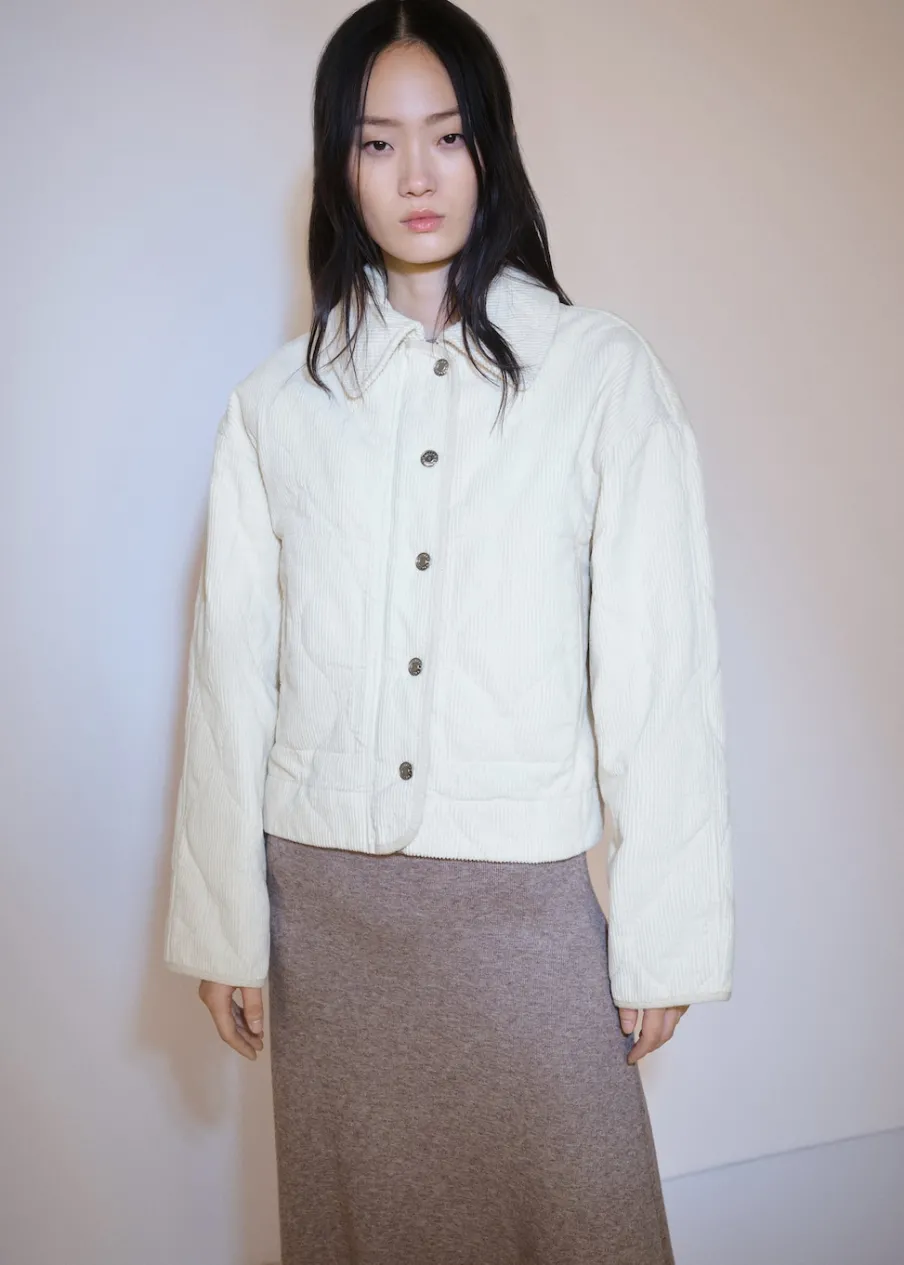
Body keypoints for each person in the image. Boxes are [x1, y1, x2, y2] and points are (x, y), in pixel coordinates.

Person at [163, 1, 735, 1260]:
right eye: (377, 143)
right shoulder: (274, 404)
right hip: (328, 916)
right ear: (339, 164)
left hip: (521, 907)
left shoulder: (598, 374)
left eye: (449, 135)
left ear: (492, 148)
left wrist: (665, 933)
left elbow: (660, 669)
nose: (415, 176)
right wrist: (223, 923)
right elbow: (229, 677)